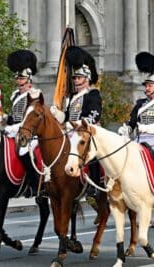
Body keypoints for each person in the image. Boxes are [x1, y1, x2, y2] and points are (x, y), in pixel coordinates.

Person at [119, 52, 154, 208]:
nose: (146, 88)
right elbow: (132, 120)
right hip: (139, 139)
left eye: (150, 85)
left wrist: (145, 127)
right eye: (146, 85)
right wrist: (126, 129)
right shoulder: (140, 103)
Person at [50, 46, 102, 205]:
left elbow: (94, 114)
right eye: (74, 78)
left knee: (92, 153)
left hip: (87, 131)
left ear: (86, 79)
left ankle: (95, 186)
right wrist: (58, 114)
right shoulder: (73, 96)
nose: (76, 81)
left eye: (78, 78)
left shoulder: (93, 94)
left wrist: (78, 125)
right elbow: (67, 115)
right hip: (71, 132)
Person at [4, 49, 42, 198]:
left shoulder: (34, 95)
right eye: (17, 79)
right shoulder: (15, 95)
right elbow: (15, 117)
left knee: (23, 150)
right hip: (15, 130)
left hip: (30, 133)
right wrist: (4, 118)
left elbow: (29, 119)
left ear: (29, 80)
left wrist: (11, 128)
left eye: (21, 79)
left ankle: (33, 183)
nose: (18, 82)